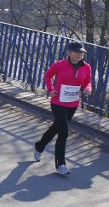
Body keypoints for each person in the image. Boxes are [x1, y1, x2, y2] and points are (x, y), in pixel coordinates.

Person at [33, 42, 92, 175]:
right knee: (64, 132)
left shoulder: (86, 67)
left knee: (56, 128)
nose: (80, 54)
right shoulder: (59, 64)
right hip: (58, 101)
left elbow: (87, 81)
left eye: (82, 52)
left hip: (72, 103)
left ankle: (39, 146)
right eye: (77, 52)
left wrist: (88, 88)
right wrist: (50, 90)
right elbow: (48, 76)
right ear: (69, 52)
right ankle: (61, 165)